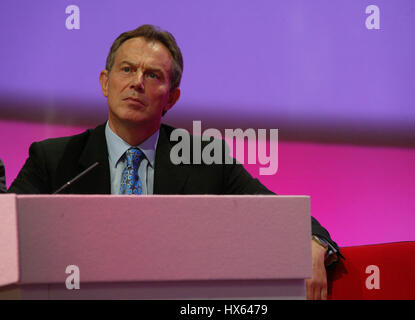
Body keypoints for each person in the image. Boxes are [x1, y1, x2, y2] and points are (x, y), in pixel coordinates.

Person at [8, 24, 341, 300]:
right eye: (127, 69)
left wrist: (312, 244)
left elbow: (280, 216)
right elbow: (6, 234)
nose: (137, 82)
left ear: (172, 97)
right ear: (105, 83)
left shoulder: (205, 160)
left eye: (152, 75)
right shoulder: (53, 159)